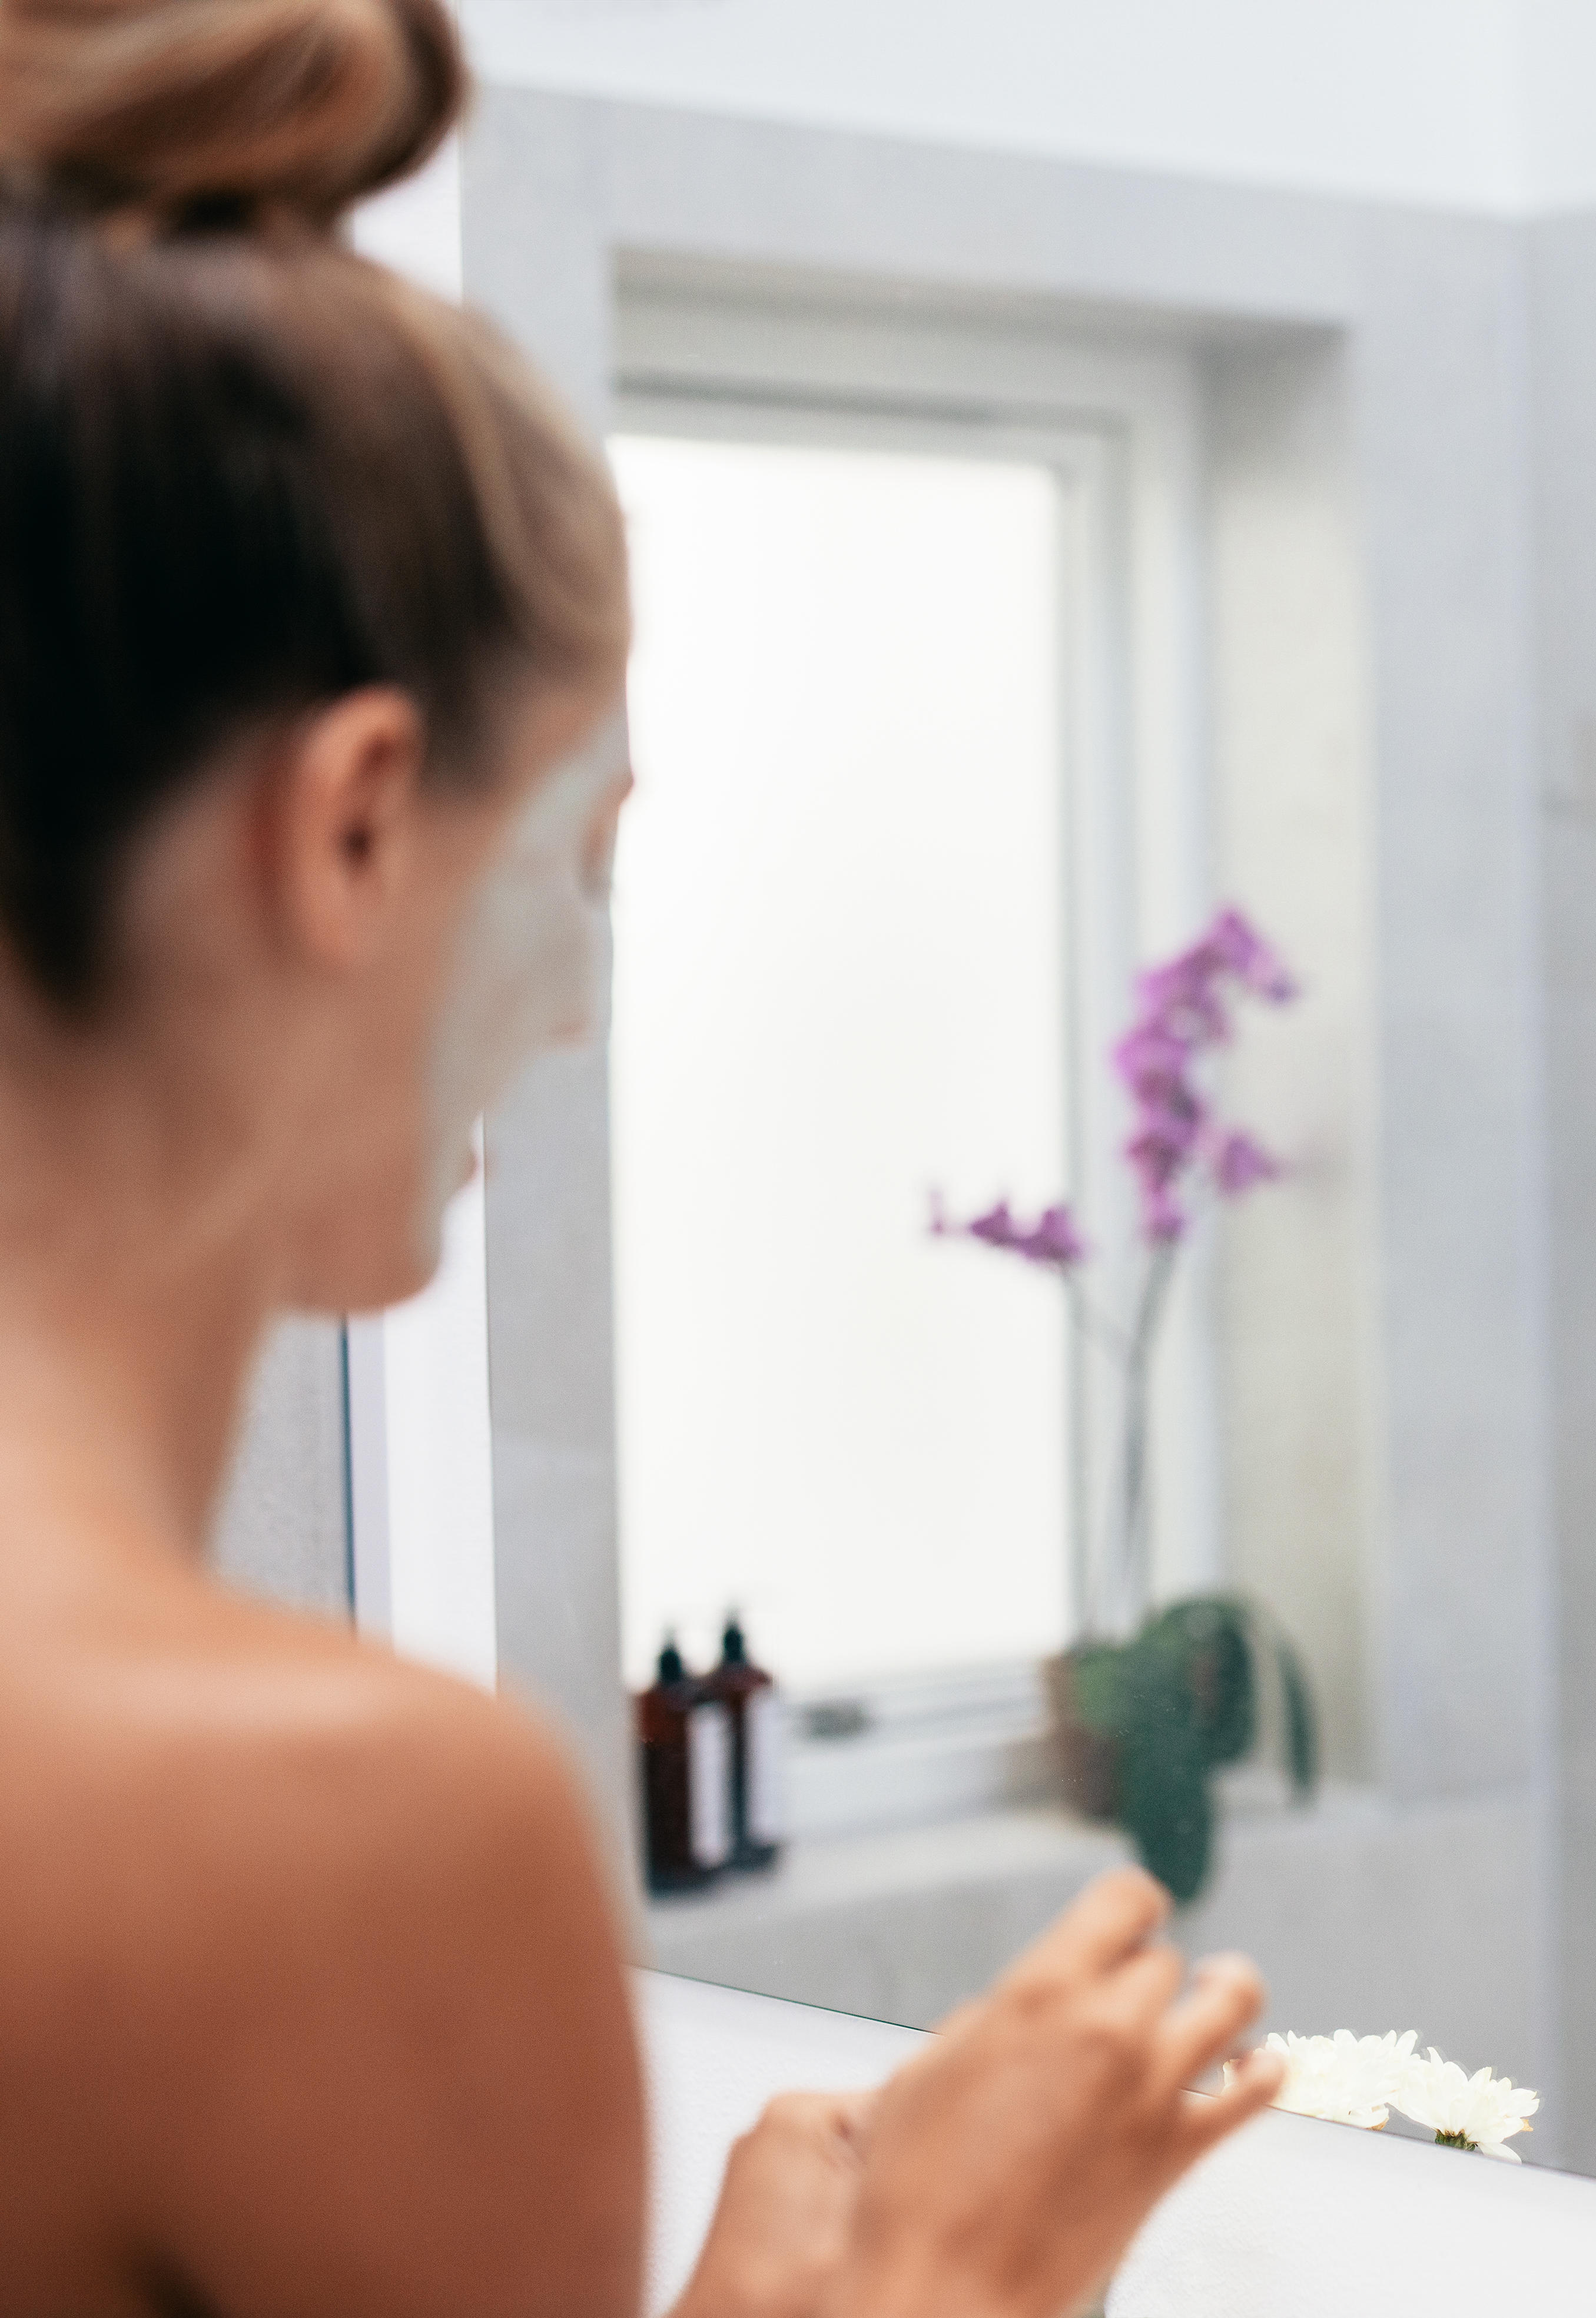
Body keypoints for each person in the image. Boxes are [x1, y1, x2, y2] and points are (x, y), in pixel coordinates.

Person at [0, 2, 1281, 2312]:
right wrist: (953, 2277)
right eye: (577, 858)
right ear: (361, 821)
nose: (577, 1005)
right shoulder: (329, 1843)